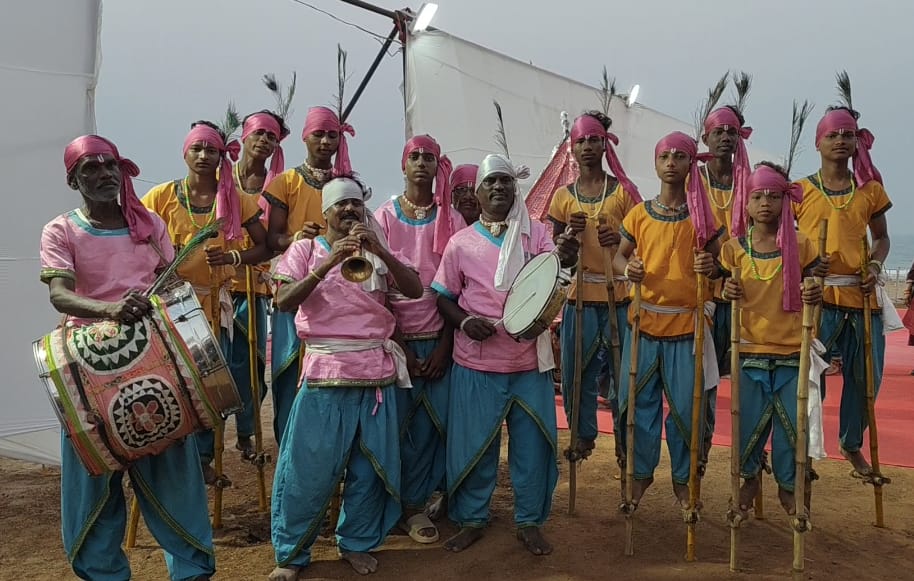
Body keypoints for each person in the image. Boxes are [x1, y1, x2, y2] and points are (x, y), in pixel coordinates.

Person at [42, 135, 215, 580]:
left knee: (176, 480)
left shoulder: (150, 226)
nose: (102, 175)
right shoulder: (62, 230)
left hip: (155, 362)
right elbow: (60, 294)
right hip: (89, 374)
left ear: (121, 172)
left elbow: (172, 285)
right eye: (90, 169)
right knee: (94, 486)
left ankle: (191, 573)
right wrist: (110, 309)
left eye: (109, 166)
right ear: (73, 179)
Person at [269, 176, 422, 580]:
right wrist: (328, 262)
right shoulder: (305, 250)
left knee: (370, 471)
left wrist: (382, 254)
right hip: (325, 374)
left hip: (375, 375)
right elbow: (283, 301)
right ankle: (291, 554)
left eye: (355, 204)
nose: (350, 211)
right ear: (326, 213)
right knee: (307, 469)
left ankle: (356, 543)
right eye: (341, 205)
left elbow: (415, 288)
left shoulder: (377, 250)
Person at [433, 154, 579, 555]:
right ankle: (471, 519)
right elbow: (442, 296)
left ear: (516, 189)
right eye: (491, 182)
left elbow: (558, 271)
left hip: (528, 363)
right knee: (474, 446)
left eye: (505, 182)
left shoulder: (537, 235)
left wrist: (566, 255)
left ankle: (530, 522)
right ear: (477, 193)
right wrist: (463, 322)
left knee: (532, 447)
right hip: (476, 362)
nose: (499, 188)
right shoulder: (460, 243)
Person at [143, 121, 270, 482]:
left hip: (216, 303)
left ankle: (201, 457)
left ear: (220, 156)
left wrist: (234, 260)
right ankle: (171, 455)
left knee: (213, 383)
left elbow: (264, 245)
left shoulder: (235, 197)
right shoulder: (161, 197)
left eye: (211, 150)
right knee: (175, 381)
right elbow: (138, 238)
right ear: (185, 152)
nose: (203, 156)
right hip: (170, 307)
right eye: (197, 148)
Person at [613, 131, 724, 510]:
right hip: (643, 326)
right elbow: (618, 257)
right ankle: (639, 480)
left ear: (692, 164)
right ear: (656, 163)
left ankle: (683, 485)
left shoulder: (706, 217)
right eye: (666, 156)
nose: (672, 162)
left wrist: (711, 266)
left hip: (687, 328)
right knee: (639, 408)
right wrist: (630, 269)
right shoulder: (639, 214)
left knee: (686, 413)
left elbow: (723, 266)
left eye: (680, 156)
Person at [793, 87, 891, 477]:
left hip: (860, 295)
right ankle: (804, 449)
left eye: (847, 135)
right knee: (808, 379)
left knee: (867, 379)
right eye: (832, 135)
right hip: (817, 298)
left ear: (856, 142)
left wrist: (875, 267)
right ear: (818, 142)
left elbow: (881, 239)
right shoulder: (799, 190)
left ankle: (851, 444)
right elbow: (784, 241)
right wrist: (802, 271)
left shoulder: (870, 191)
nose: (840, 141)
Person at [720, 162, 823, 516]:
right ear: (746, 204)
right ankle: (748, 480)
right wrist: (725, 288)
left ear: (785, 201)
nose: (765, 203)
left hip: (793, 352)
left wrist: (813, 290)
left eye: (774, 196)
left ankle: (789, 488)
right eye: (758, 196)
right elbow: (720, 293)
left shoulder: (804, 245)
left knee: (791, 430)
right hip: (749, 352)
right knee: (747, 424)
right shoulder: (733, 250)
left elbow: (815, 290)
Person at [375, 135, 464, 544]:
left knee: (439, 427)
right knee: (400, 429)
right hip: (395, 342)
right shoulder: (384, 218)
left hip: (444, 339)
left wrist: (445, 346)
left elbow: (459, 291)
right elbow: (375, 291)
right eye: (415, 156)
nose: (422, 163)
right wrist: (405, 349)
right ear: (403, 163)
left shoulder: (454, 220)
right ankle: (400, 507)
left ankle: (428, 501)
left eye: (430, 157)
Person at [547, 110, 642, 463]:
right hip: (580, 296)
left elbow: (638, 244)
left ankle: (623, 441)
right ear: (572, 147)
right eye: (581, 140)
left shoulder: (624, 193)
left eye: (594, 139)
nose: (587, 146)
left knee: (624, 376)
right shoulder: (562, 198)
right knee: (575, 373)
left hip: (618, 295)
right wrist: (568, 237)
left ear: (605, 144)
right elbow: (558, 254)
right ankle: (582, 434)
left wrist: (617, 239)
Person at [263, 106, 354, 446]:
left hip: (341, 287)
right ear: (305, 137)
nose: (325, 141)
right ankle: (293, 443)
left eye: (332, 135)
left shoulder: (345, 183)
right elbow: (274, 240)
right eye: (319, 134)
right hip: (297, 279)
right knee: (290, 370)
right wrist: (299, 236)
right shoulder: (285, 182)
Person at [229, 109, 289, 457]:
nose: (265, 141)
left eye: (272, 136)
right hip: (215, 284)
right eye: (260, 134)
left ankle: (247, 431)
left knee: (251, 365)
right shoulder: (223, 178)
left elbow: (276, 236)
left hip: (256, 283)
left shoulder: (276, 185)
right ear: (245, 137)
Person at [699, 100, 752, 474]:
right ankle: (699, 449)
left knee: (749, 375)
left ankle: (751, 454)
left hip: (746, 292)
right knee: (704, 380)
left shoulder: (752, 182)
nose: (726, 138)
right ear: (706, 135)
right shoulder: (691, 178)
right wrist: (718, 266)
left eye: (732, 131)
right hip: (703, 290)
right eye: (719, 131)